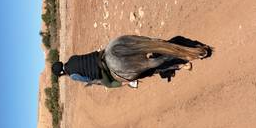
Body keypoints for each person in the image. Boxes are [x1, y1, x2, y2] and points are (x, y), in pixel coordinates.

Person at [52, 35, 211, 88]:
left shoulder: (72, 76)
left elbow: (92, 80)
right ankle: (175, 45)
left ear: (62, 73)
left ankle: (179, 62)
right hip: (102, 54)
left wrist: (116, 84)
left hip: (105, 71)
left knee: (146, 71)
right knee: (150, 42)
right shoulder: (72, 58)